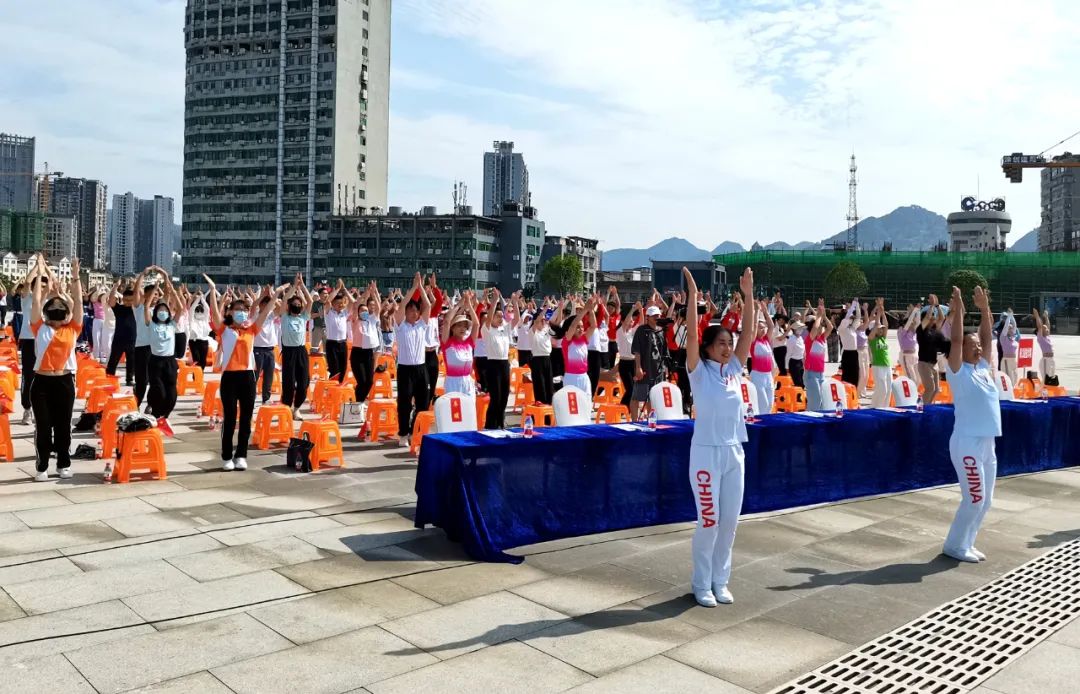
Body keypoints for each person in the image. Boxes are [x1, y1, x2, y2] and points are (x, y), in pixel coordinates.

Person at [683, 265, 754, 607]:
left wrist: (750, 295)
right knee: (708, 521)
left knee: (729, 523)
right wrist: (694, 298)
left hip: (734, 453)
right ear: (709, 348)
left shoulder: (734, 371)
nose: (728, 348)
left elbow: (750, 333)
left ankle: (720, 580)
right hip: (706, 454)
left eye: (730, 343)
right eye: (722, 343)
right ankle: (701, 584)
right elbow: (693, 336)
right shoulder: (699, 373)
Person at [943, 285, 999, 563]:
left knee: (985, 501)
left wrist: (985, 309)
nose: (978, 347)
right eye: (972, 344)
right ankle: (954, 545)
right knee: (974, 498)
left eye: (978, 345)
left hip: (987, 443)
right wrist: (960, 310)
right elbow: (955, 341)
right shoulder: (958, 372)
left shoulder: (983, 369)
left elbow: (988, 339)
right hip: (967, 442)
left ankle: (967, 542)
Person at [205, 277, 276, 471]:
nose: (242, 313)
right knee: (230, 418)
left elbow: (265, 311)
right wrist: (212, 290)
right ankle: (227, 456)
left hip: (247, 377)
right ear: (230, 312)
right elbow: (214, 312)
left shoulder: (251, 329)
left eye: (244, 310)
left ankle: (241, 455)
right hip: (229, 377)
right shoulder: (224, 329)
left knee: (245, 419)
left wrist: (276, 295)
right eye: (237, 310)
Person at [28, 254, 83, 480]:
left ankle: (63, 464)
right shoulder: (38, 327)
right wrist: (40, 272)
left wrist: (76, 278)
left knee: (63, 425)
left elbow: (78, 303)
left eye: (61, 308)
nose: (58, 310)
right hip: (41, 382)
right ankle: (42, 467)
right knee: (44, 426)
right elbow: (36, 301)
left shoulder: (73, 329)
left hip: (64, 381)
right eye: (54, 307)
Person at [395, 273, 432, 447]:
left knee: (423, 402)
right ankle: (403, 433)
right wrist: (413, 288)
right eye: (411, 310)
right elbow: (402, 305)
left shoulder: (421, 326)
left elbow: (429, 305)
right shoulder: (401, 326)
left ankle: (415, 431)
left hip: (421, 368)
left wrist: (421, 288)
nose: (413, 313)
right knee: (404, 402)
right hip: (405, 369)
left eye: (416, 311)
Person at [144, 273, 184, 436]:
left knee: (172, 393)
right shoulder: (151, 324)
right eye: (159, 310)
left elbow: (180, 308)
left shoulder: (172, 324)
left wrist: (173, 290)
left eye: (165, 310)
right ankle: (154, 411)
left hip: (170, 361)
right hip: (155, 361)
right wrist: (155, 287)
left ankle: (163, 416)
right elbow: (147, 306)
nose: (162, 312)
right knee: (158, 390)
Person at [279, 275, 314, 419]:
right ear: (289, 306)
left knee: (304, 381)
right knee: (288, 382)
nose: (297, 306)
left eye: (299, 305)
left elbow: (310, 301)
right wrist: (294, 286)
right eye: (295, 304)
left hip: (301, 351)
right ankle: (287, 407)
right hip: (288, 352)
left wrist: (303, 286)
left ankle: (297, 408)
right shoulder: (284, 317)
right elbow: (285, 299)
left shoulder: (303, 317)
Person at [630, 304, 668, 420]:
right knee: (637, 396)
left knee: (653, 397)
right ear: (648, 317)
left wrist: (665, 368)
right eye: (654, 316)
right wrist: (638, 367)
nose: (657, 318)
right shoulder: (641, 330)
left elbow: (664, 352)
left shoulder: (661, 331)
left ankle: (650, 420)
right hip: (645, 368)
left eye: (658, 315)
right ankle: (634, 420)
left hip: (657, 369)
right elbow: (637, 351)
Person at [483, 290, 515, 429]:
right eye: (498, 316)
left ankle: (501, 423)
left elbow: (517, 320)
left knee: (505, 396)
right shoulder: (488, 330)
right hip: (493, 364)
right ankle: (491, 425)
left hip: (504, 364)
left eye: (502, 316)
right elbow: (489, 319)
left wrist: (514, 302)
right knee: (495, 397)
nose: (501, 318)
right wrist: (495, 301)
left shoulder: (504, 330)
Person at [349, 282, 382, 414]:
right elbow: (356, 305)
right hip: (357, 354)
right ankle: (358, 403)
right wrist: (366, 294)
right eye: (362, 311)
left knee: (369, 381)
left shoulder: (372, 320)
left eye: (366, 311)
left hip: (369, 353)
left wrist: (374, 292)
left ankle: (360, 402)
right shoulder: (355, 321)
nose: (364, 312)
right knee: (361, 380)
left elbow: (378, 308)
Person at [440, 293, 479, 396]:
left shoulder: (469, 342)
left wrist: (469, 305)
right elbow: (447, 321)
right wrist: (459, 304)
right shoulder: (447, 343)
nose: (462, 328)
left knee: (468, 411)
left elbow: (476, 324)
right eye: (459, 326)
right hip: (453, 382)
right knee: (454, 411)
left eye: (465, 326)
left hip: (468, 382)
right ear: (453, 328)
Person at [562, 296, 598, 399]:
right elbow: (573, 325)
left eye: (582, 326)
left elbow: (593, 326)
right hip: (571, 377)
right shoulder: (567, 341)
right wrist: (584, 310)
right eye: (578, 327)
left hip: (584, 377)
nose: (580, 329)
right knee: (572, 408)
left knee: (586, 405)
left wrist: (590, 310)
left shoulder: (584, 339)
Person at [529, 301, 562, 405]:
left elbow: (557, 324)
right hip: (537, 360)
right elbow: (537, 321)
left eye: (544, 321)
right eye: (541, 321)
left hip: (548, 359)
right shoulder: (533, 331)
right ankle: (540, 404)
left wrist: (560, 309)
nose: (543, 322)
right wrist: (545, 309)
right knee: (540, 385)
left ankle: (548, 405)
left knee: (549, 385)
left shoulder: (546, 331)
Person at [253, 289, 282, 404]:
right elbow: (254, 305)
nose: (266, 307)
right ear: (261, 305)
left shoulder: (270, 315)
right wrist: (262, 296)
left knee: (269, 376)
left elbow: (280, 307)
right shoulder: (255, 315)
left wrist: (272, 295)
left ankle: (266, 398)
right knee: (254, 376)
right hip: (257, 349)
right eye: (264, 304)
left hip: (270, 349)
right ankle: (252, 397)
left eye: (268, 305)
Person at [804, 300, 833, 412]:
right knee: (815, 402)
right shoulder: (809, 340)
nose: (822, 328)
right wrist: (819, 316)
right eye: (820, 326)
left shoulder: (821, 339)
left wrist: (824, 316)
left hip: (821, 373)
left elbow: (830, 327)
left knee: (822, 401)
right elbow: (815, 328)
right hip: (811, 374)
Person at [916, 298, 946, 403]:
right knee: (930, 389)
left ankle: (928, 406)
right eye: (932, 314)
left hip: (934, 363)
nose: (934, 316)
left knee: (936, 389)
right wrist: (931, 305)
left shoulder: (934, 330)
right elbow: (928, 317)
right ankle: (923, 408)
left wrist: (937, 306)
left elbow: (942, 318)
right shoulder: (921, 330)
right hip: (924, 363)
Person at [749, 301, 776, 416]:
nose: (763, 329)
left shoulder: (766, 341)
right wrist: (756, 312)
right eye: (760, 328)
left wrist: (765, 312)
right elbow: (753, 327)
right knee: (762, 404)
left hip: (768, 375)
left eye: (763, 327)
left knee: (770, 404)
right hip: (757, 375)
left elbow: (771, 326)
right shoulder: (753, 341)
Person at [323, 280, 350, 384]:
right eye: (337, 303)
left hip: (343, 343)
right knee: (334, 369)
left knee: (343, 369)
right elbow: (327, 301)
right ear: (333, 304)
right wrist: (338, 289)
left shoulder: (344, 313)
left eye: (342, 303)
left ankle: (339, 388)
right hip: (332, 344)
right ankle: (332, 388)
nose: (340, 305)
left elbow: (353, 303)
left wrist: (344, 290)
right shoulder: (329, 312)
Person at [616, 302, 642, 408]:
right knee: (630, 388)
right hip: (624, 363)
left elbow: (641, 323)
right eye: (630, 321)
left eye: (632, 321)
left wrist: (641, 311)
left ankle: (627, 408)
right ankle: (623, 407)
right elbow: (626, 322)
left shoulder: (632, 332)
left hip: (633, 363)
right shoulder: (620, 332)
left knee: (634, 388)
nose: (631, 322)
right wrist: (633, 309)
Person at [868, 299, 892, 408]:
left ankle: (884, 407)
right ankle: (877, 407)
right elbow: (877, 324)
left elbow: (885, 325)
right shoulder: (872, 339)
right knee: (882, 389)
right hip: (878, 366)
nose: (881, 330)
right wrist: (878, 311)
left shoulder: (883, 338)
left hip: (887, 365)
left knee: (888, 390)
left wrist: (882, 312)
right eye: (879, 329)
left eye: (882, 329)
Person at [837, 299, 860, 387]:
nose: (851, 319)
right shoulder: (842, 328)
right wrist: (853, 304)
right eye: (850, 318)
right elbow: (847, 317)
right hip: (847, 353)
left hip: (854, 353)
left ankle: (854, 393)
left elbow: (858, 317)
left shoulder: (852, 328)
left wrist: (857, 304)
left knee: (855, 375)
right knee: (847, 376)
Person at [898, 304, 921, 387]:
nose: (913, 324)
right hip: (906, 357)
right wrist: (914, 310)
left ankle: (914, 394)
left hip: (914, 357)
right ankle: (911, 396)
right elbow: (908, 323)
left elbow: (918, 322)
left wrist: (918, 311)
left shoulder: (913, 332)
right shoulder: (902, 331)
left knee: (918, 379)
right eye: (911, 323)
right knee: (912, 379)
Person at [1033, 308, 1057, 386]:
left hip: (1051, 360)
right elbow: (1040, 326)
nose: (1047, 329)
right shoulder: (1041, 338)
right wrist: (1037, 316)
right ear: (1041, 331)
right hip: (1045, 360)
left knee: (1052, 377)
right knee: (1046, 379)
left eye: (1047, 328)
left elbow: (1048, 325)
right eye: (1045, 329)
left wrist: (1046, 317)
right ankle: (1043, 394)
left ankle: (1049, 392)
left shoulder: (1048, 337)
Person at [188, 291, 212, 369]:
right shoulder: (192, 320)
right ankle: (196, 377)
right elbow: (192, 309)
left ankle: (200, 375)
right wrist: (197, 299)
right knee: (196, 360)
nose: (199, 312)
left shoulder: (205, 320)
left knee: (203, 360)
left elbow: (207, 309)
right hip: (194, 342)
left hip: (204, 341)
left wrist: (203, 299)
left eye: (201, 311)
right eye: (197, 311)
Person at [997, 311, 1019, 386]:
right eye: (1009, 328)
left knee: (1015, 377)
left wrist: (1012, 316)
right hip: (1006, 360)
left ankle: (1013, 393)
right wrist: (1009, 317)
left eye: (1012, 328)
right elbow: (1006, 326)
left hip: (1014, 360)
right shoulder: (1003, 338)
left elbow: (1015, 325)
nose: (1011, 329)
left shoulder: (1013, 338)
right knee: (1008, 379)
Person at [785, 319, 806, 389]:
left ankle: (802, 398)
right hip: (793, 362)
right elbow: (788, 354)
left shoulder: (800, 338)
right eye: (799, 328)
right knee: (798, 383)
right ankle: (798, 398)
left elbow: (802, 351)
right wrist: (787, 367)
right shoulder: (791, 339)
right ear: (794, 329)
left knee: (802, 382)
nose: (801, 330)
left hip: (800, 362)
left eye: (801, 328)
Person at [310, 287, 328, 354]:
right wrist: (320, 313)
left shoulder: (329, 303)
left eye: (327, 293)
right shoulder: (315, 304)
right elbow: (311, 316)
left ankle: (327, 364)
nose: (326, 295)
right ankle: (315, 364)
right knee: (314, 349)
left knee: (327, 350)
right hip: (317, 328)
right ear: (320, 295)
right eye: (324, 293)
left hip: (328, 329)